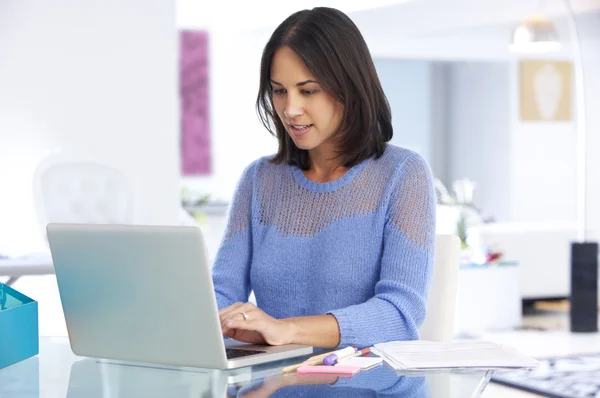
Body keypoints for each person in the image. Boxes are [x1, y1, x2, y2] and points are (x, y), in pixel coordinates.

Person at [213, 7, 436, 349]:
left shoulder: (403, 175)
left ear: (348, 86)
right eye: (279, 91)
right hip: (273, 385)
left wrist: (286, 329)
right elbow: (223, 294)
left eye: (309, 90)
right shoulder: (259, 180)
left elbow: (399, 313)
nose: (290, 109)